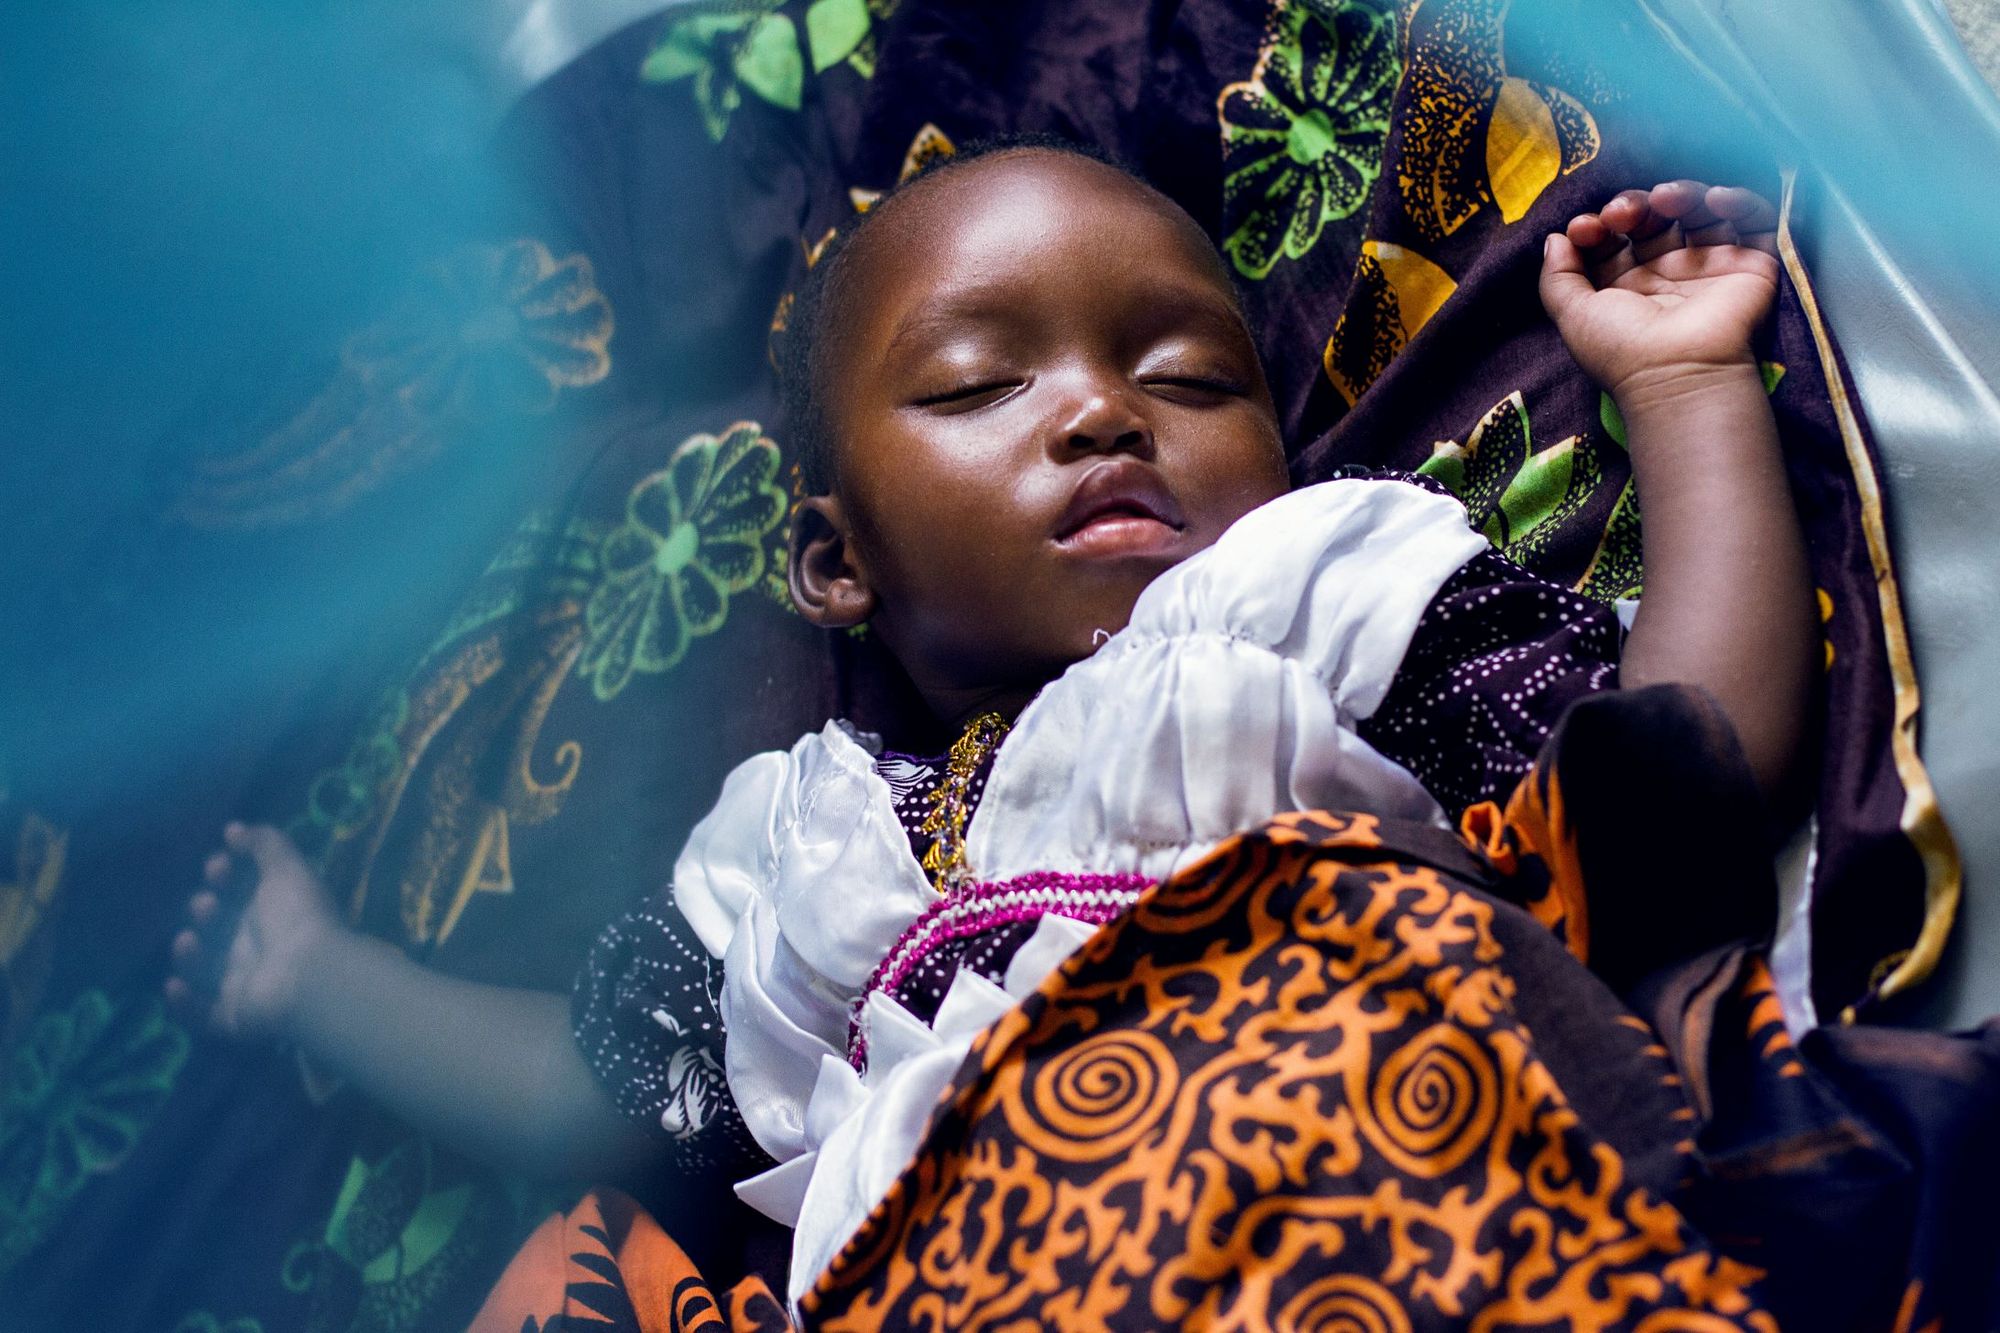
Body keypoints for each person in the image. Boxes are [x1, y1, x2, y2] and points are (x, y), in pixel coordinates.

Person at [167, 140, 1814, 1304]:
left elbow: (1686, 758)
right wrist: (322, 981)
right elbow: (579, 1096)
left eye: (1191, 377)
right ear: (833, 560)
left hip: (1384, 1186)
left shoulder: (1311, 592)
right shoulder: (803, 851)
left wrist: (1680, 388)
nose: (1105, 408)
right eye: (976, 387)